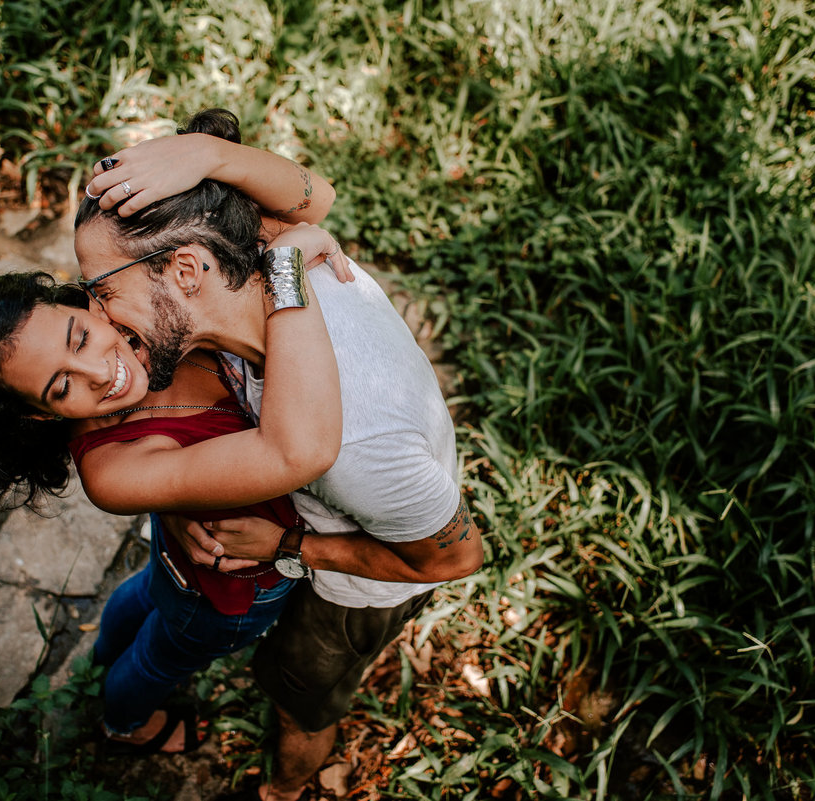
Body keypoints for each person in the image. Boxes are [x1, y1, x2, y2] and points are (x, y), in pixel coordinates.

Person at [79, 113, 484, 800]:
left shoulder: (360, 442)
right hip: (306, 536)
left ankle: (283, 790)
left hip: (353, 590)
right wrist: (209, 155)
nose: (98, 317)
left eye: (104, 290)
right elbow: (310, 198)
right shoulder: (258, 264)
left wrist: (288, 547)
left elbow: (454, 559)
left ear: (185, 270)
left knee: (298, 698)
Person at [0, 128, 347, 754]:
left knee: (146, 594)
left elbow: (315, 201)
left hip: (175, 561)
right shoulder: (112, 474)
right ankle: (124, 723)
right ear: (39, 416)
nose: (102, 372)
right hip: (228, 593)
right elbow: (294, 452)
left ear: (84, 299)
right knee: (160, 657)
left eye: (78, 337)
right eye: (61, 387)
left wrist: (212, 154)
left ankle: (101, 653)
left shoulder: (147, 305)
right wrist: (284, 268)